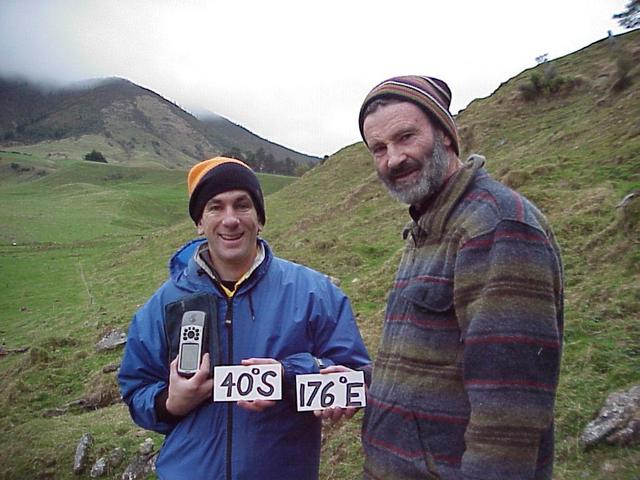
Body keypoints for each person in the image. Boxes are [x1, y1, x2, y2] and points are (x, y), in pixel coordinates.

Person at [357, 76, 564, 479]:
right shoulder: (431, 226)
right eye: (378, 149)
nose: (393, 158)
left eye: (406, 137)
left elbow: (508, 414)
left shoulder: (495, 227)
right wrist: (356, 382)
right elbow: (426, 365)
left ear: (445, 136)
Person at [118, 157, 370, 480]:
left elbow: (356, 378)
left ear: (259, 218)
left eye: (242, 205)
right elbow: (136, 389)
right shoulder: (164, 305)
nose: (230, 219)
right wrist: (171, 402)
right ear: (199, 222)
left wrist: (288, 375)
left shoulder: (314, 294)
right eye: (215, 207)